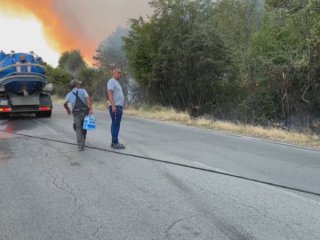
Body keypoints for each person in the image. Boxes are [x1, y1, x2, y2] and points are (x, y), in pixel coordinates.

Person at [64, 79, 93, 151]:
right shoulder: (83, 91)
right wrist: (91, 109)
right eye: (79, 84)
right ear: (76, 85)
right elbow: (88, 100)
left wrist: (68, 110)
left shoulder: (69, 94)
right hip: (85, 112)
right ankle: (83, 141)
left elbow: (64, 104)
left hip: (76, 114)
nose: (80, 85)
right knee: (85, 127)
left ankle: (80, 145)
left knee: (78, 129)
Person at [107, 68, 125, 149]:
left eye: (120, 73)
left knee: (115, 124)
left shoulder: (117, 82)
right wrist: (113, 106)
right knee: (116, 124)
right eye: (118, 73)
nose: (120, 74)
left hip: (118, 106)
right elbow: (110, 94)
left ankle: (114, 142)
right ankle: (115, 142)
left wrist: (121, 105)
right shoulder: (111, 81)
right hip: (115, 107)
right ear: (113, 73)